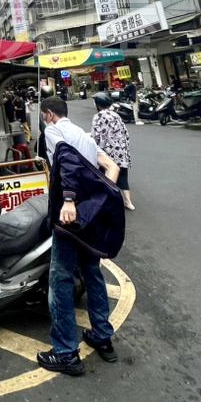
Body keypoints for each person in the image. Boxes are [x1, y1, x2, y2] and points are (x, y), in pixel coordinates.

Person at [37, 97, 122, 376]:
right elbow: (110, 167)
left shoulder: (53, 131)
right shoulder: (84, 135)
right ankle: (102, 336)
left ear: (49, 114)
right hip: (92, 217)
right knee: (92, 273)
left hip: (69, 216)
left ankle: (65, 353)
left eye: (43, 116)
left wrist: (69, 200)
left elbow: (67, 167)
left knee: (60, 279)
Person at [92, 93, 135, 210]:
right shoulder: (116, 115)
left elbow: (97, 136)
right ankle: (128, 202)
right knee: (123, 178)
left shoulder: (98, 116)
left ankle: (107, 202)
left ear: (98, 104)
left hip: (107, 152)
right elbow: (125, 133)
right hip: (121, 151)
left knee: (106, 177)